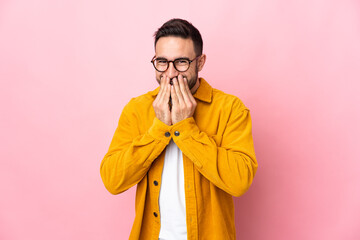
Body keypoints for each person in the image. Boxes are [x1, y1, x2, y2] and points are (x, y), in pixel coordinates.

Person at [100, 18, 258, 240]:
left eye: (181, 62)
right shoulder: (137, 109)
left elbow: (240, 181)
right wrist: (159, 129)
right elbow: (112, 180)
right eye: (162, 62)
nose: (171, 73)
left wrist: (186, 129)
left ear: (200, 62)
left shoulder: (230, 108)